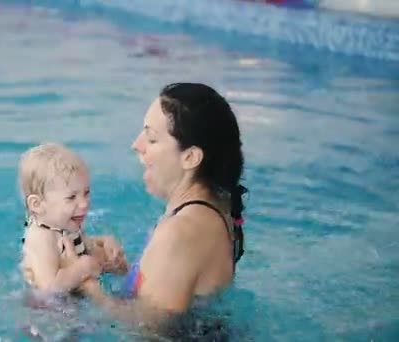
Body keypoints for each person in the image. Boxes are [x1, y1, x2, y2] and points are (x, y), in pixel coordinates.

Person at [64, 83, 248, 334]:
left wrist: (86, 283)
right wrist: (124, 271)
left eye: (151, 138)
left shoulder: (181, 232)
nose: (136, 145)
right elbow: (177, 296)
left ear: (190, 157)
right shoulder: (212, 212)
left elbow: (150, 326)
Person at [18, 143, 128, 296]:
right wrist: (83, 268)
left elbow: (84, 245)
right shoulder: (41, 237)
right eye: (71, 197)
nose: (84, 204)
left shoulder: (63, 224)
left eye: (86, 193)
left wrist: (105, 244)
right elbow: (48, 288)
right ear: (37, 205)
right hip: (46, 312)